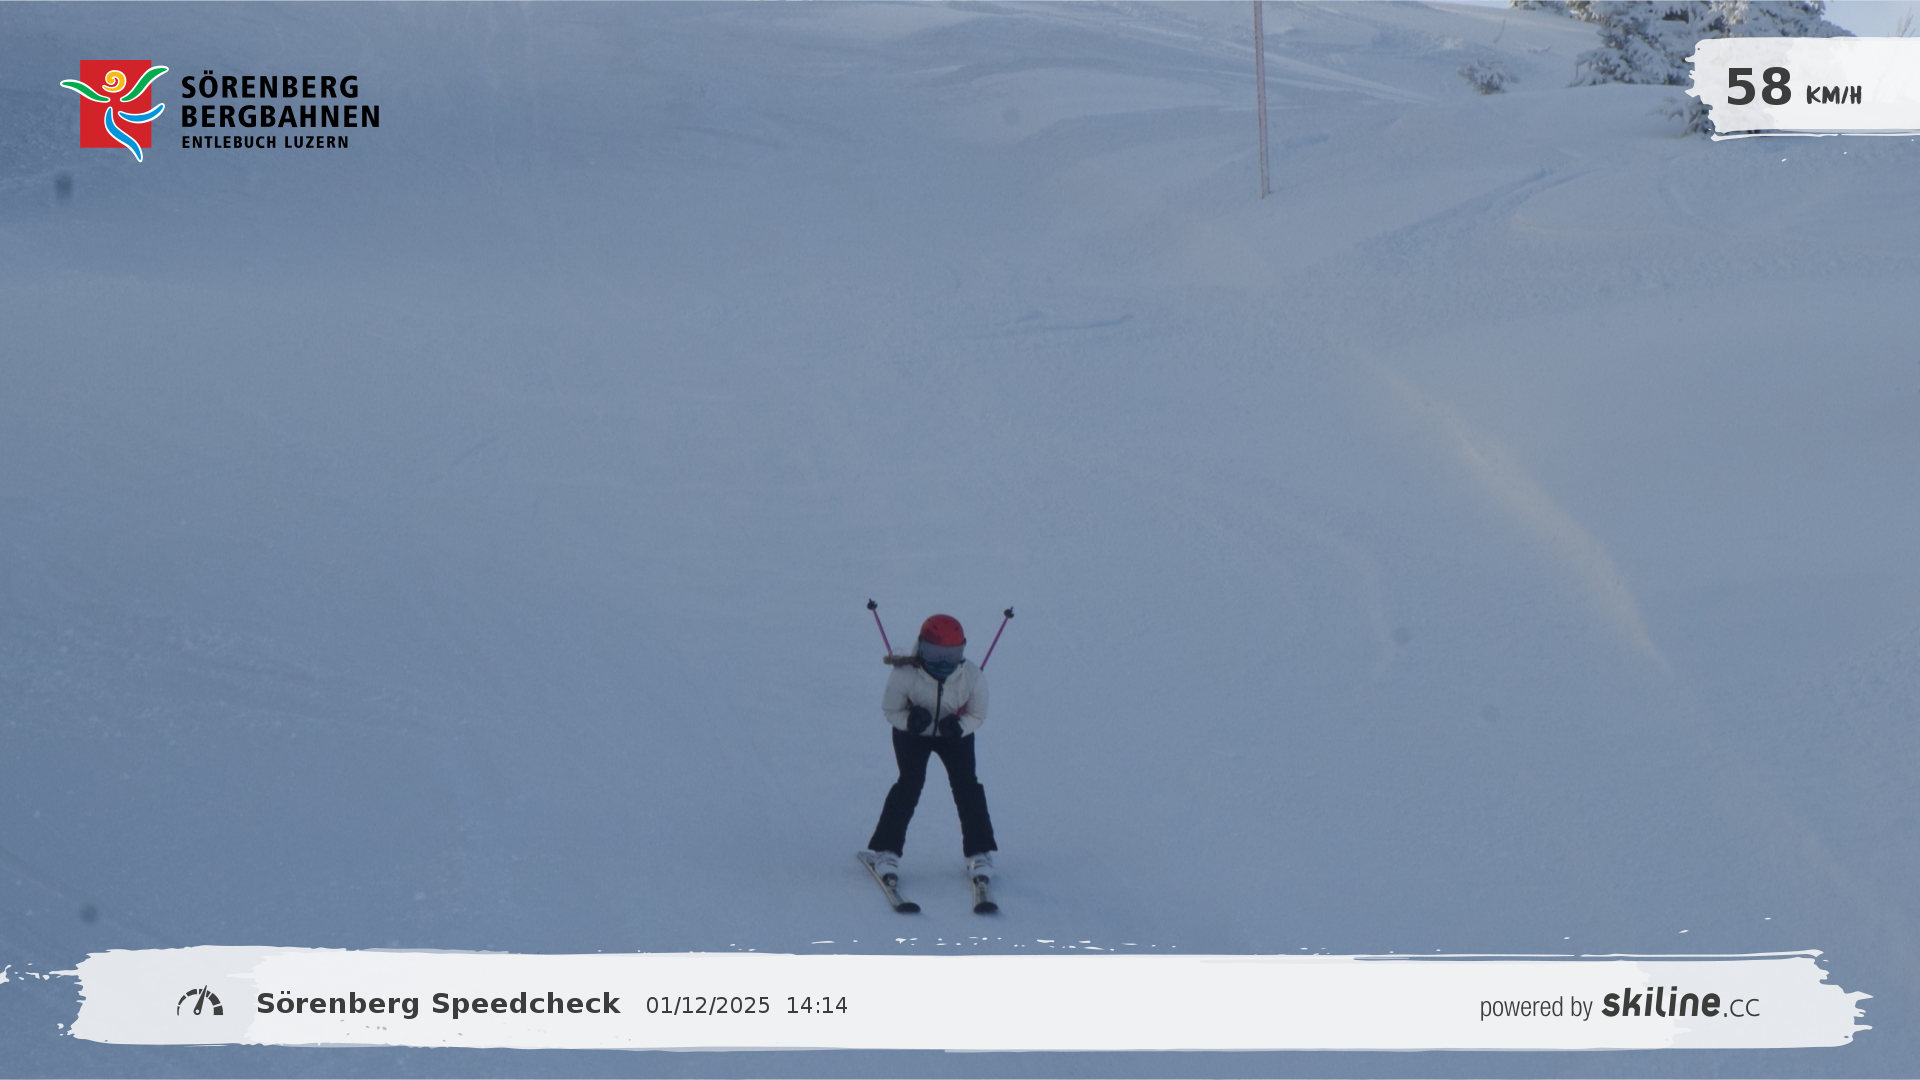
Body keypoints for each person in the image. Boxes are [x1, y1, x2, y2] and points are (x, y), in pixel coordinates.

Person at [860, 614, 997, 886]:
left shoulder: (972, 676)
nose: (943, 663)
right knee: (909, 785)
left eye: (952, 655)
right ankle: (886, 850)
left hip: (953, 735)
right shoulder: (904, 675)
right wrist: (909, 721)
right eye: (935, 654)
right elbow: (891, 710)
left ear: (962, 651)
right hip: (913, 735)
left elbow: (978, 714)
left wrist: (960, 726)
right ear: (921, 648)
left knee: (967, 787)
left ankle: (979, 852)